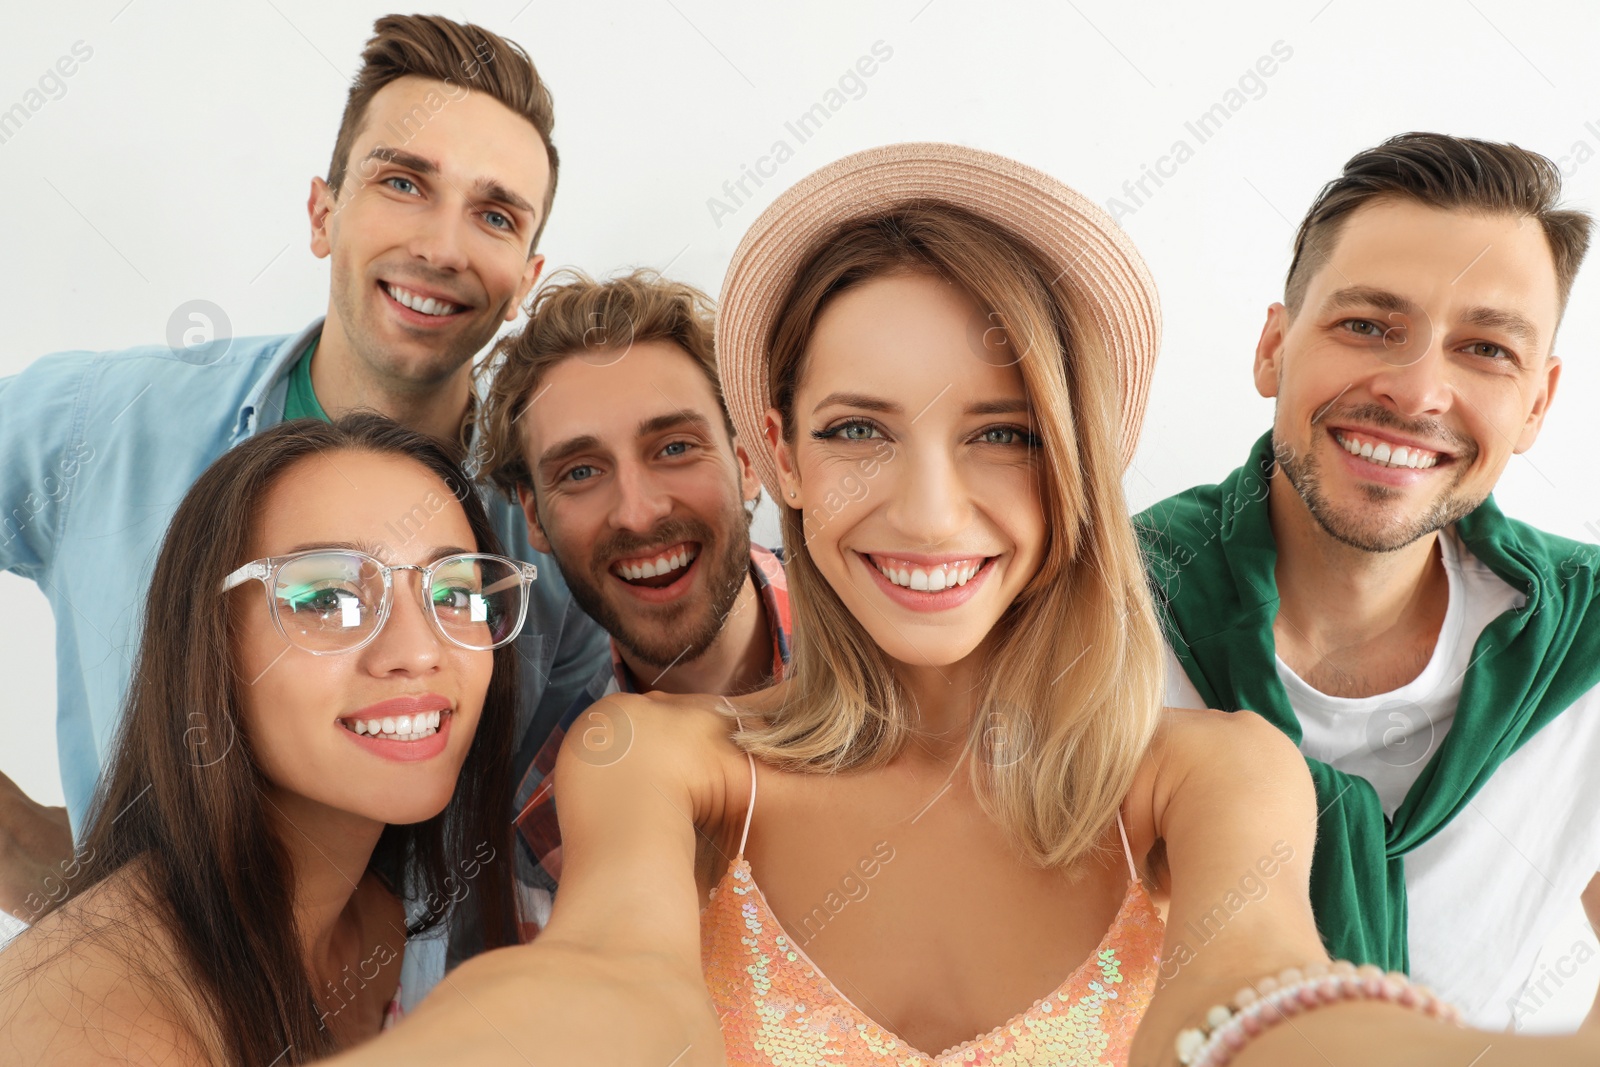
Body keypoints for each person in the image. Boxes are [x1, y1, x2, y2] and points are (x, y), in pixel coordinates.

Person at [319, 145, 1600, 1067]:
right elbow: (611, 988)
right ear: (783, 457)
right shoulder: (653, 758)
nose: (930, 512)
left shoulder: (1212, 775)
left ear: (1073, 463)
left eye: (999, 430)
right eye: (859, 427)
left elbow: (1258, 997)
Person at [0, 13, 607, 921]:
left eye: (493, 214)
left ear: (526, 275)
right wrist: (30, 859)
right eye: (403, 182)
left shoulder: (554, 541)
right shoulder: (107, 424)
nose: (441, 247)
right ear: (323, 214)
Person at [1137, 132, 1600, 1031]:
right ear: (1274, 347)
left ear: (1537, 403)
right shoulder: (1095, 609)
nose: (1418, 389)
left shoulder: (1592, 641)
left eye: (1486, 350)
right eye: (1368, 326)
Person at [0, 415, 530, 1064]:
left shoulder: (384, 917)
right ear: (209, 641)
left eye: (453, 593)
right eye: (329, 598)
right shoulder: (84, 1030)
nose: (419, 652)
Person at [473, 269, 793, 935]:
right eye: (581, 472)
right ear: (534, 516)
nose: (639, 513)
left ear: (749, 459)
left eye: (674, 447)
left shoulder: (912, 651)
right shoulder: (550, 826)